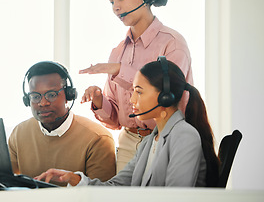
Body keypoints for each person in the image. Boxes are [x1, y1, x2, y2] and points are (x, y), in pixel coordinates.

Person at [36, 57, 219, 187]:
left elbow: (175, 198)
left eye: (139, 91)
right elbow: (117, 186)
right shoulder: (149, 142)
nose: (132, 99)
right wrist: (74, 179)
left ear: (164, 97)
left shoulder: (184, 136)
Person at [79, 0, 193, 172]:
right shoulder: (117, 52)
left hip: (166, 139)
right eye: (111, 2)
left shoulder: (173, 43)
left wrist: (119, 70)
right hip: (128, 143)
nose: (115, 7)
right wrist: (99, 101)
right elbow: (115, 121)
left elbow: (166, 95)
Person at [8, 61, 116, 186]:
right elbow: (6, 181)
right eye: (35, 96)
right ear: (27, 100)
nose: (43, 103)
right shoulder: (19, 133)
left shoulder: (98, 138)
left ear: (69, 95)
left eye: (51, 95)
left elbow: (102, 196)